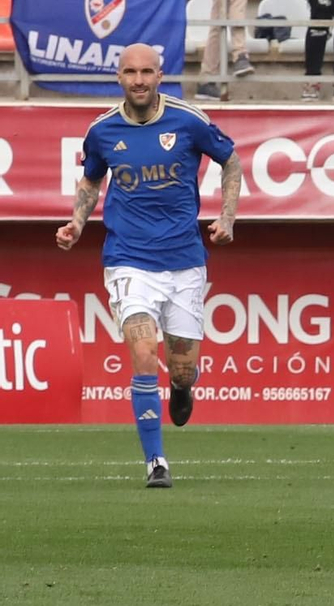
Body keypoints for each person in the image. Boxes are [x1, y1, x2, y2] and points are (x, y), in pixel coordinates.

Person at [53, 44, 242, 488]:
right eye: (129, 72)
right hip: (129, 260)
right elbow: (92, 177)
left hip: (184, 261)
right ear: (119, 77)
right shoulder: (102, 131)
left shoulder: (188, 120)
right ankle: (156, 462)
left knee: (180, 367)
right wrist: (77, 222)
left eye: (147, 72)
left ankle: (180, 388)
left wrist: (228, 216)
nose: (138, 79)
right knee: (142, 354)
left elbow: (230, 160)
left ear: (160, 76)